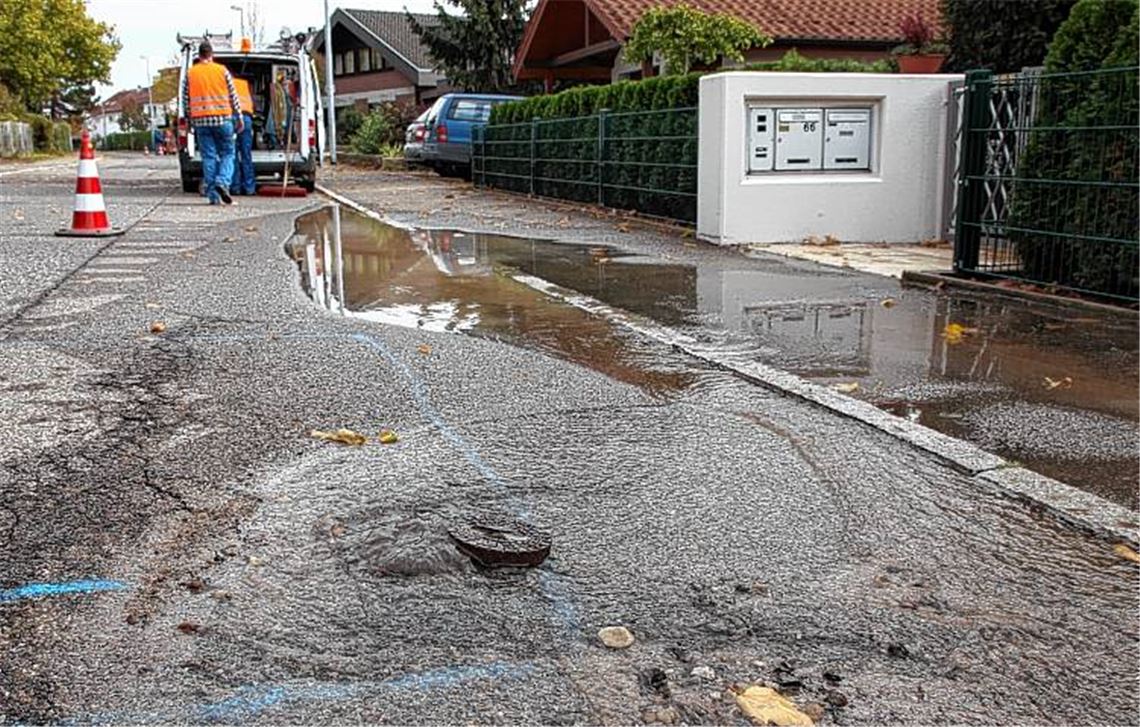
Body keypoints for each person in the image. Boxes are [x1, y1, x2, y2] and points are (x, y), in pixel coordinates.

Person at [182, 41, 243, 204]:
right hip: (223, 119)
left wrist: (188, 121)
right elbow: (233, 96)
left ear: (199, 55)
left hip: (201, 121)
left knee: (208, 156)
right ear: (211, 54)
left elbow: (186, 100)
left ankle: (213, 197)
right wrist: (240, 117)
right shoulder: (221, 70)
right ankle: (222, 182)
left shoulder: (190, 73)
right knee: (228, 153)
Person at [232, 75, 256, 195]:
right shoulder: (244, 84)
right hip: (246, 118)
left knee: (233, 154)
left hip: (231, 118)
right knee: (246, 154)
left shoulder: (224, 83)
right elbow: (252, 102)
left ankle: (235, 187)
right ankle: (249, 188)